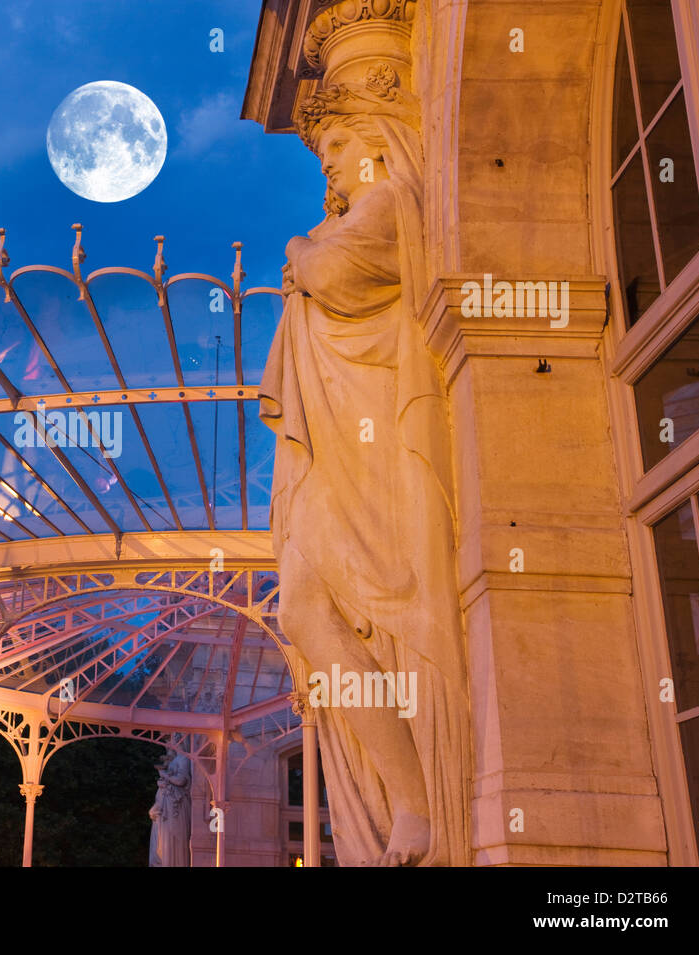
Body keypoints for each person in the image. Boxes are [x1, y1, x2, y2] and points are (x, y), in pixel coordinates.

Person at [260, 64, 469, 866]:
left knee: (315, 609)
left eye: (340, 147)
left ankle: (418, 802)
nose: (332, 166)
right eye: (325, 156)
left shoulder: (391, 203)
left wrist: (299, 246)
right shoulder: (359, 215)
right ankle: (409, 798)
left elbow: (332, 274)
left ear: (380, 140)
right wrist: (310, 249)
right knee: (302, 610)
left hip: (374, 443)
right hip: (338, 442)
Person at [147, 749, 191, 866]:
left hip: (173, 807)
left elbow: (181, 780)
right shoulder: (176, 760)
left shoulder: (183, 758)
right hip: (166, 807)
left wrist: (164, 775)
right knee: (160, 843)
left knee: (169, 840)